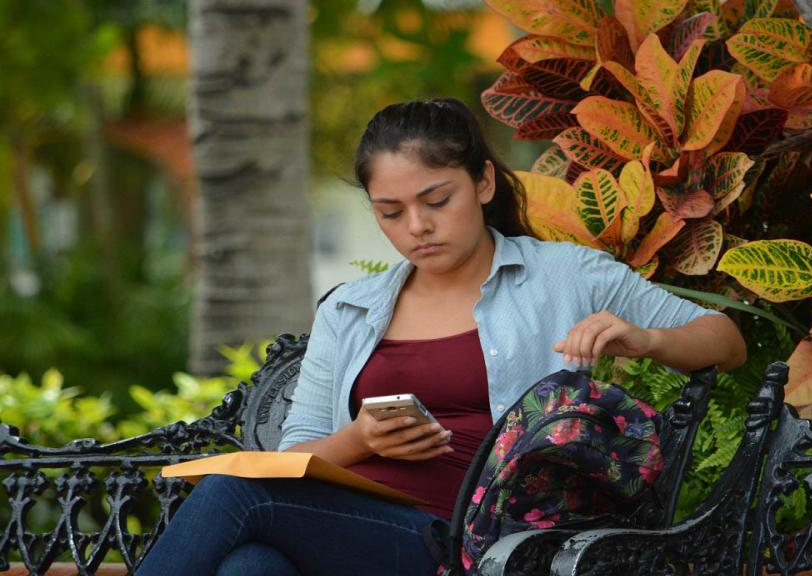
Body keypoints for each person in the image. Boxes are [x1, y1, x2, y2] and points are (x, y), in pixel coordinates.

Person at [136, 98, 746, 576]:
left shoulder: (564, 274)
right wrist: (358, 439)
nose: (417, 227)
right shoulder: (351, 309)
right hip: (360, 535)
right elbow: (292, 459)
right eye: (391, 212)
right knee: (251, 568)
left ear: (483, 182)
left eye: (436, 200)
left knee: (235, 489)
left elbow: (725, 338)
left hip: (477, 542)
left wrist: (644, 339)